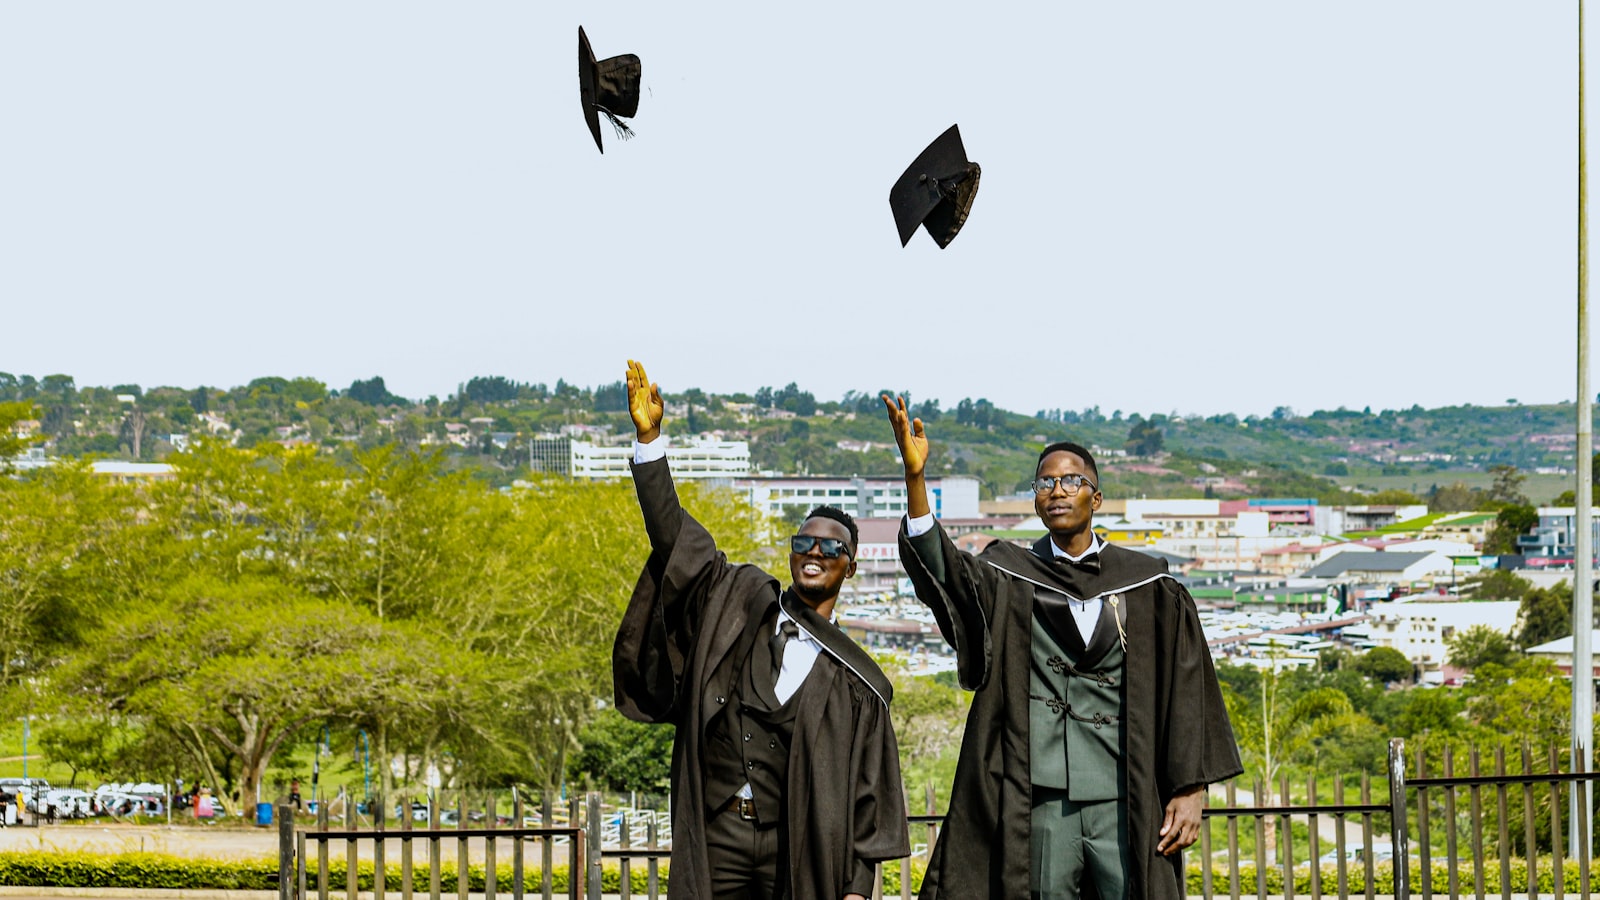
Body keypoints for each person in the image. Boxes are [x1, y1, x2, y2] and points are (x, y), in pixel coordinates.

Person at [883, 396, 1242, 900]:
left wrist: (1190, 787)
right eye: (1045, 482)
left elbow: (1187, 686)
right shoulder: (1008, 574)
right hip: (1043, 799)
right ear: (1035, 500)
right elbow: (945, 571)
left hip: (1125, 794)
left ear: (1096, 498)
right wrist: (915, 479)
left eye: (1071, 481)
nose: (1057, 490)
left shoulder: (1150, 585)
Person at [614, 360, 909, 900]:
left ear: (852, 565)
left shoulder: (858, 682)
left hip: (795, 846)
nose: (814, 553)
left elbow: (870, 798)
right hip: (718, 832)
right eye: (803, 543)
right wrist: (650, 441)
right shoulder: (740, 602)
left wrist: (858, 889)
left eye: (830, 547)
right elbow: (674, 538)